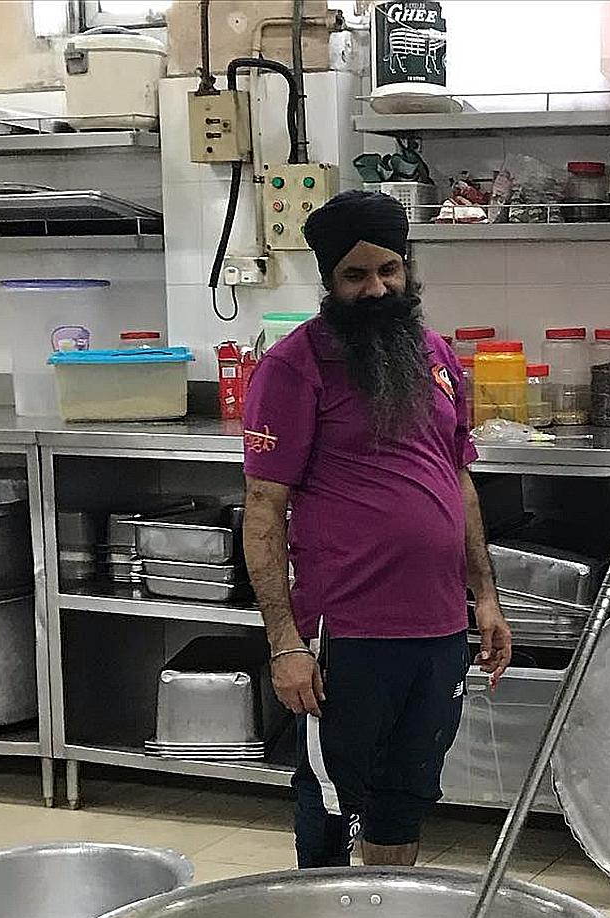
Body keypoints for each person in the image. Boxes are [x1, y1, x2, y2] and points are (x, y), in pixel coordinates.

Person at [241, 190, 511, 870]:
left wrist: (486, 595)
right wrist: (284, 641)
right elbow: (265, 507)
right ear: (329, 281)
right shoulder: (292, 368)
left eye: (389, 270)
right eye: (355, 276)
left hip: (438, 629)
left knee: (405, 794)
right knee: (333, 800)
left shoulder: (436, 356)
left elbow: (458, 477)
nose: (377, 288)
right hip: (348, 635)